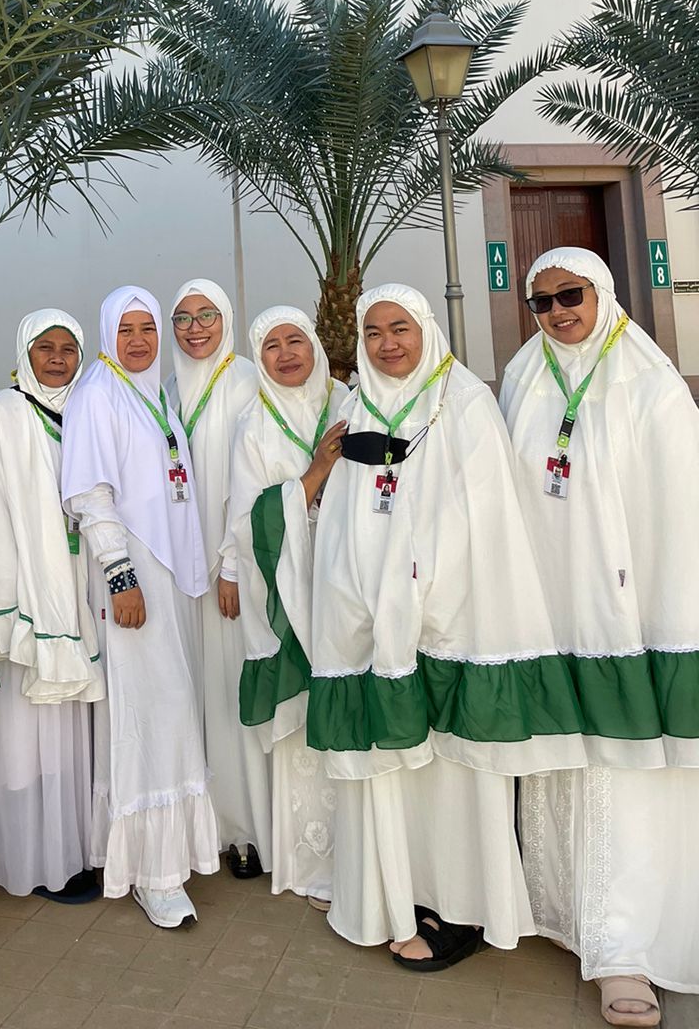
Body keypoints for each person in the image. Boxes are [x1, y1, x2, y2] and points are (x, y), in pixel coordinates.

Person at [308, 284, 587, 971]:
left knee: (455, 772)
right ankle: (396, 891)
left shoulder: (461, 401)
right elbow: (341, 517)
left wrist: (416, 590)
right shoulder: (355, 405)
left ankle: (463, 909)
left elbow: (481, 514)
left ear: (426, 330)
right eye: (374, 332)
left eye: (399, 328)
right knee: (393, 769)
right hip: (373, 625)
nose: (387, 344)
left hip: (447, 624)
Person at [501, 248, 699, 1027]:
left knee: (627, 781)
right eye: (542, 301)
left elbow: (678, 516)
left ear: (603, 293)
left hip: (631, 625)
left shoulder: (650, 386)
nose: (558, 312)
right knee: (564, 771)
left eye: (571, 295)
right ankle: (565, 917)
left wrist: (658, 621)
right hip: (550, 619)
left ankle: (626, 951)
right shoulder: (523, 380)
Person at [61, 285, 218, 928]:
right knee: (151, 714)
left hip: (166, 575)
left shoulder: (152, 394)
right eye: (125, 330)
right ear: (107, 334)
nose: (137, 341)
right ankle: (156, 874)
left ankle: (154, 856)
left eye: (147, 328)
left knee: (168, 712)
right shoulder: (98, 394)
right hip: (133, 575)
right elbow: (91, 495)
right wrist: (120, 576)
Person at [0, 308, 104, 900]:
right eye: (44, 347)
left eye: (68, 348)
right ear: (24, 354)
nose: (56, 358)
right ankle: (26, 859)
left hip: (75, 587)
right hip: (24, 595)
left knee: (67, 732)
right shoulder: (4, 410)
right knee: (20, 737)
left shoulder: (86, 412)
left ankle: (69, 852)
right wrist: (15, 596)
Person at [225, 305, 348, 904]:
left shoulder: (349, 403)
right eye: (270, 345)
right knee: (302, 720)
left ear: (315, 345)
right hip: (287, 589)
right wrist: (317, 472)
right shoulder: (253, 423)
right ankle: (312, 858)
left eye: (295, 340)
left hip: (348, 581)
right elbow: (249, 519)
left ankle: (359, 857)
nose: (285, 354)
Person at [166, 278, 266, 880]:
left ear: (226, 318)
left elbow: (248, 486)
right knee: (196, 694)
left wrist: (230, 565)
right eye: (182, 318)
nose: (195, 328)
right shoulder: (169, 389)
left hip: (229, 572)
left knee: (231, 693)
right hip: (181, 572)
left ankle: (243, 828)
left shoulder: (246, 381)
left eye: (207, 315)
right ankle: (202, 823)